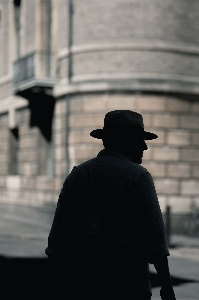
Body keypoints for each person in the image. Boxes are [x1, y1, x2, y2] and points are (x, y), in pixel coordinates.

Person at [45, 110, 176, 300]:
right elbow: (156, 240)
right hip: (129, 287)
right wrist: (166, 285)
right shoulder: (138, 176)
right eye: (140, 140)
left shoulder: (78, 174)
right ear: (127, 140)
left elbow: (59, 234)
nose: (145, 147)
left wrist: (54, 276)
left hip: (82, 285)